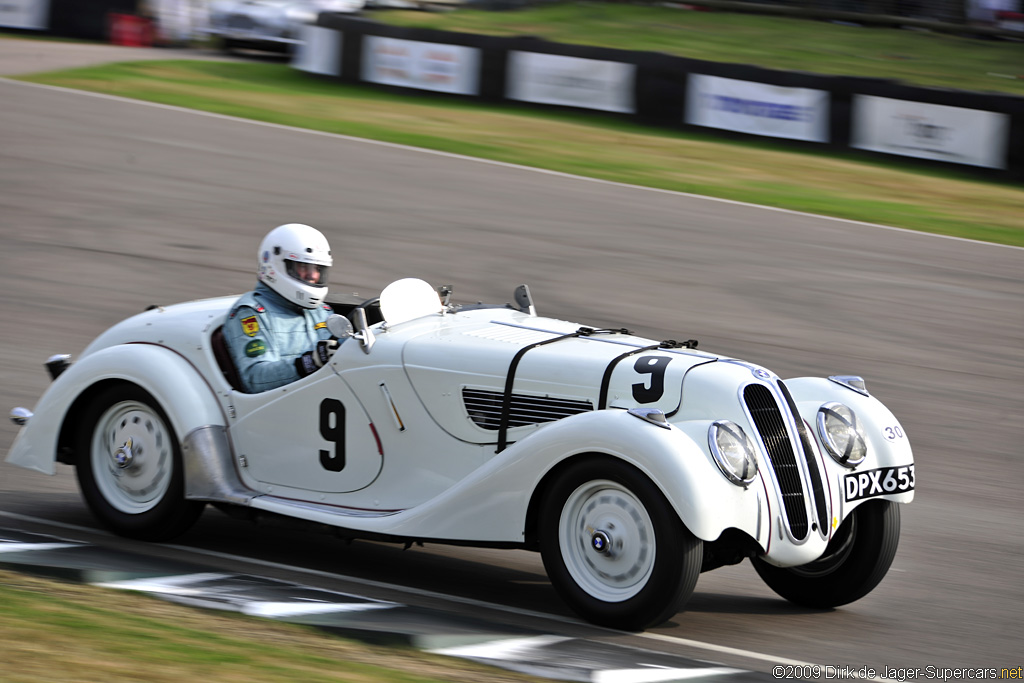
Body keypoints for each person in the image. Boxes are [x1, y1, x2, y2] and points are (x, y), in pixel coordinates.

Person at [224, 223, 339, 393]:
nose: (313, 275)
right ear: (275, 266)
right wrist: (309, 362)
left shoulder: (322, 311)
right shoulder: (251, 313)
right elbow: (256, 379)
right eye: (303, 267)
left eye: (317, 268)